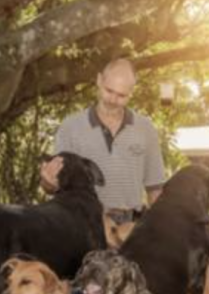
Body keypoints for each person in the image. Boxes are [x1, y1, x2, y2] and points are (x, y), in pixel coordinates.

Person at [40, 59, 166, 225]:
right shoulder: (71, 127)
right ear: (99, 80)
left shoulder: (145, 128)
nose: (113, 100)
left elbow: (155, 190)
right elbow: (52, 187)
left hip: (130, 229)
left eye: (121, 95)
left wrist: (162, 227)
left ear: (131, 92)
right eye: (109, 90)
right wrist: (48, 182)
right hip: (84, 227)